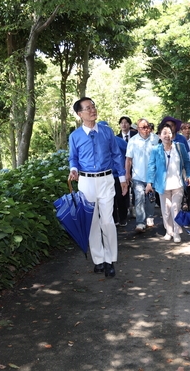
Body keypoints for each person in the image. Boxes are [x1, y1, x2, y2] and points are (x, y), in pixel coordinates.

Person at [68, 98, 128, 278]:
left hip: (106, 179)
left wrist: (123, 178)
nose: (92, 110)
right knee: (92, 222)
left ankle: (110, 259)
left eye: (93, 106)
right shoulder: (74, 136)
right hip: (86, 182)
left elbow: (117, 155)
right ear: (80, 114)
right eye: (88, 108)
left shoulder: (107, 132)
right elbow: (73, 158)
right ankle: (98, 259)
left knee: (108, 221)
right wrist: (73, 170)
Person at [145, 123, 190, 243]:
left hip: (178, 184)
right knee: (166, 210)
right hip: (163, 185)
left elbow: (187, 163)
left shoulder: (179, 147)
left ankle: (177, 232)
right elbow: (151, 167)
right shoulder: (156, 150)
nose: (167, 136)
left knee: (175, 208)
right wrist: (149, 183)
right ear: (159, 136)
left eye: (169, 133)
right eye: (164, 133)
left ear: (172, 135)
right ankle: (168, 231)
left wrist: (189, 176)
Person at [125, 118, 158, 233]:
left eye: (148, 126)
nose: (146, 129)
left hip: (153, 175)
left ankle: (149, 217)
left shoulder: (156, 139)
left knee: (150, 198)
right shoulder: (133, 141)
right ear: (138, 129)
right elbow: (128, 159)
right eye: (143, 127)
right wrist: (127, 173)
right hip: (137, 175)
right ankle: (140, 223)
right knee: (139, 198)